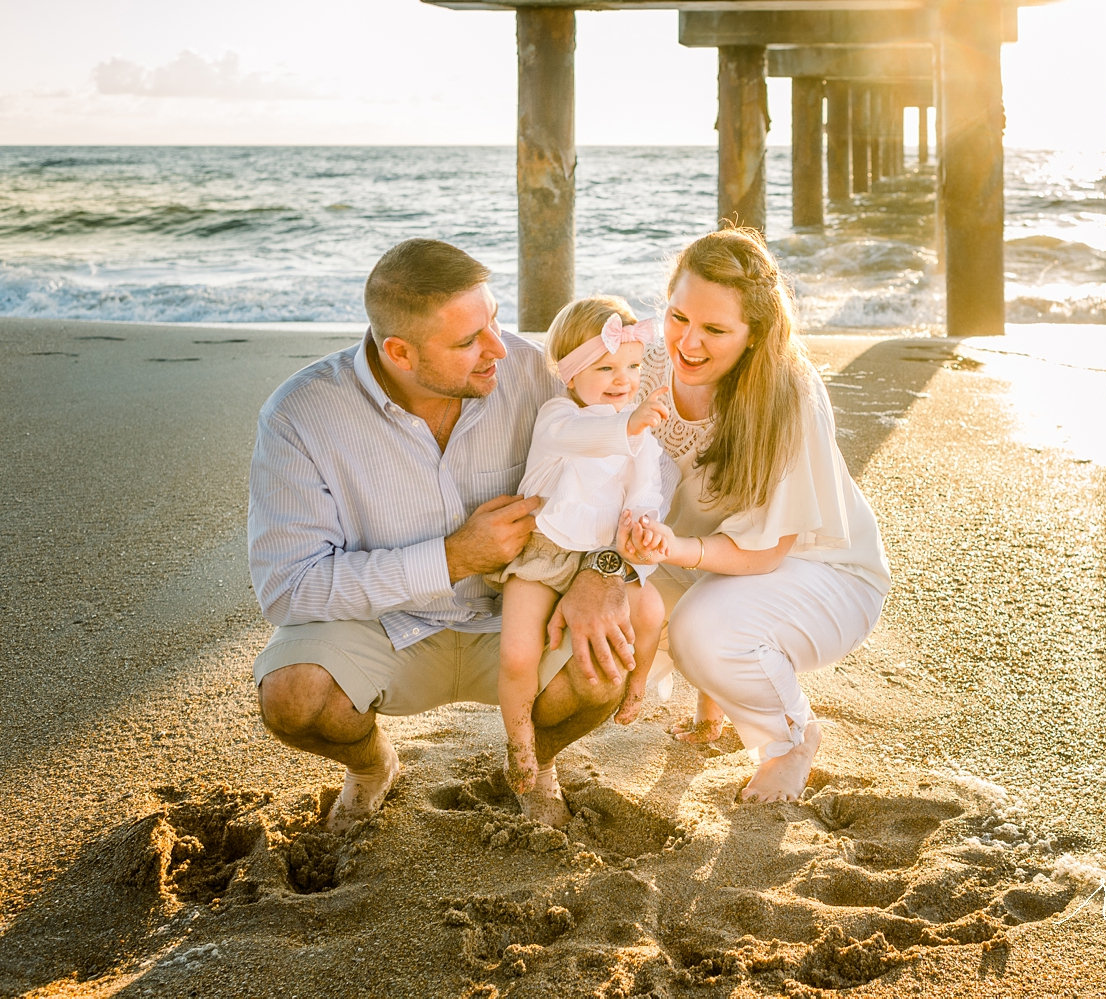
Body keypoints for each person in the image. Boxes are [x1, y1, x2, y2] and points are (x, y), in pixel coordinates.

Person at [248, 238, 639, 832]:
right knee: (294, 698)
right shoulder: (301, 415)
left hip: (521, 618)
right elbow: (288, 588)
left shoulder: (538, 374)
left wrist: (604, 570)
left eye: (496, 321)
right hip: (388, 628)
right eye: (468, 342)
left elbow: (634, 469)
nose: (498, 349)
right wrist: (453, 557)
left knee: (603, 665)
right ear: (400, 352)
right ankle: (374, 768)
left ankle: (538, 766)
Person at [621, 227, 892, 803]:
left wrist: (670, 550)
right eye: (677, 318)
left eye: (715, 329)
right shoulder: (643, 368)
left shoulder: (787, 392)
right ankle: (713, 707)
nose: (687, 344)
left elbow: (765, 548)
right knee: (603, 617)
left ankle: (791, 740)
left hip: (821, 571)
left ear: (754, 335)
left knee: (703, 629)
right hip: (710, 560)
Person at [487, 298, 669, 796]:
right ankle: (520, 740)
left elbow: (644, 485)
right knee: (520, 652)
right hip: (546, 548)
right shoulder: (560, 416)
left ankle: (636, 689)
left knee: (651, 611)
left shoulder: (634, 424)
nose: (622, 379)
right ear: (570, 373)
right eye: (605, 367)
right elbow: (583, 437)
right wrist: (627, 425)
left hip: (601, 557)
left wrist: (640, 520)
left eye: (632, 367)